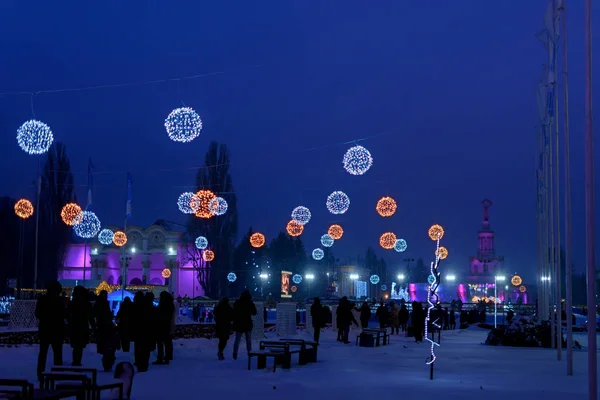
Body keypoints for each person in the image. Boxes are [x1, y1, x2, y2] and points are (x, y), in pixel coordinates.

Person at [36, 281, 65, 382]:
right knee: (57, 354)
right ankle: (58, 373)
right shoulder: (60, 300)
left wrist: (45, 319)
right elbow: (63, 314)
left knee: (43, 353)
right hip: (56, 330)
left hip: (45, 329)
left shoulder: (43, 299)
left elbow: (38, 313)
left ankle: (40, 373)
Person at [67, 285, 95, 366]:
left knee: (76, 346)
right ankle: (77, 361)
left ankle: (76, 361)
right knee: (79, 346)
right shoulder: (87, 303)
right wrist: (93, 326)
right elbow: (90, 316)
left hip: (74, 325)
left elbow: (67, 314)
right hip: (83, 326)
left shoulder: (73, 303)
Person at [94, 290, 119, 372]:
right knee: (108, 347)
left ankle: (107, 363)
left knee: (105, 347)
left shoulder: (99, 303)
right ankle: (108, 363)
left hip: (102, 327)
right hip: (105, 327)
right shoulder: (103, 303)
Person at [231, 290, 257, 360]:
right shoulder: (250, 303)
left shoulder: (237, 303)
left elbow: (233, 313)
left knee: (237, 340)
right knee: (248, 340)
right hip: (247, 323)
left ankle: (235, 353)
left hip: (239, 323)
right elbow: (254, 312)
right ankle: (249, 352)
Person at [131, 292, 151, 372]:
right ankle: (144, 364)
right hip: (146, 330)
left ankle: (139, 363)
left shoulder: (135, 306)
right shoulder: (147, 305)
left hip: (138, 330)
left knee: (138, 348)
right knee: (145, 348)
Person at [153, 291, 175, 365]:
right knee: (167, 342)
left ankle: (160, 357)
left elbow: (158, 313)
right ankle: (168, 357)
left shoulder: (162, 304)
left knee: (160, 342)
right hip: (167, 325)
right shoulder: (171, 304)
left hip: (161, 325)